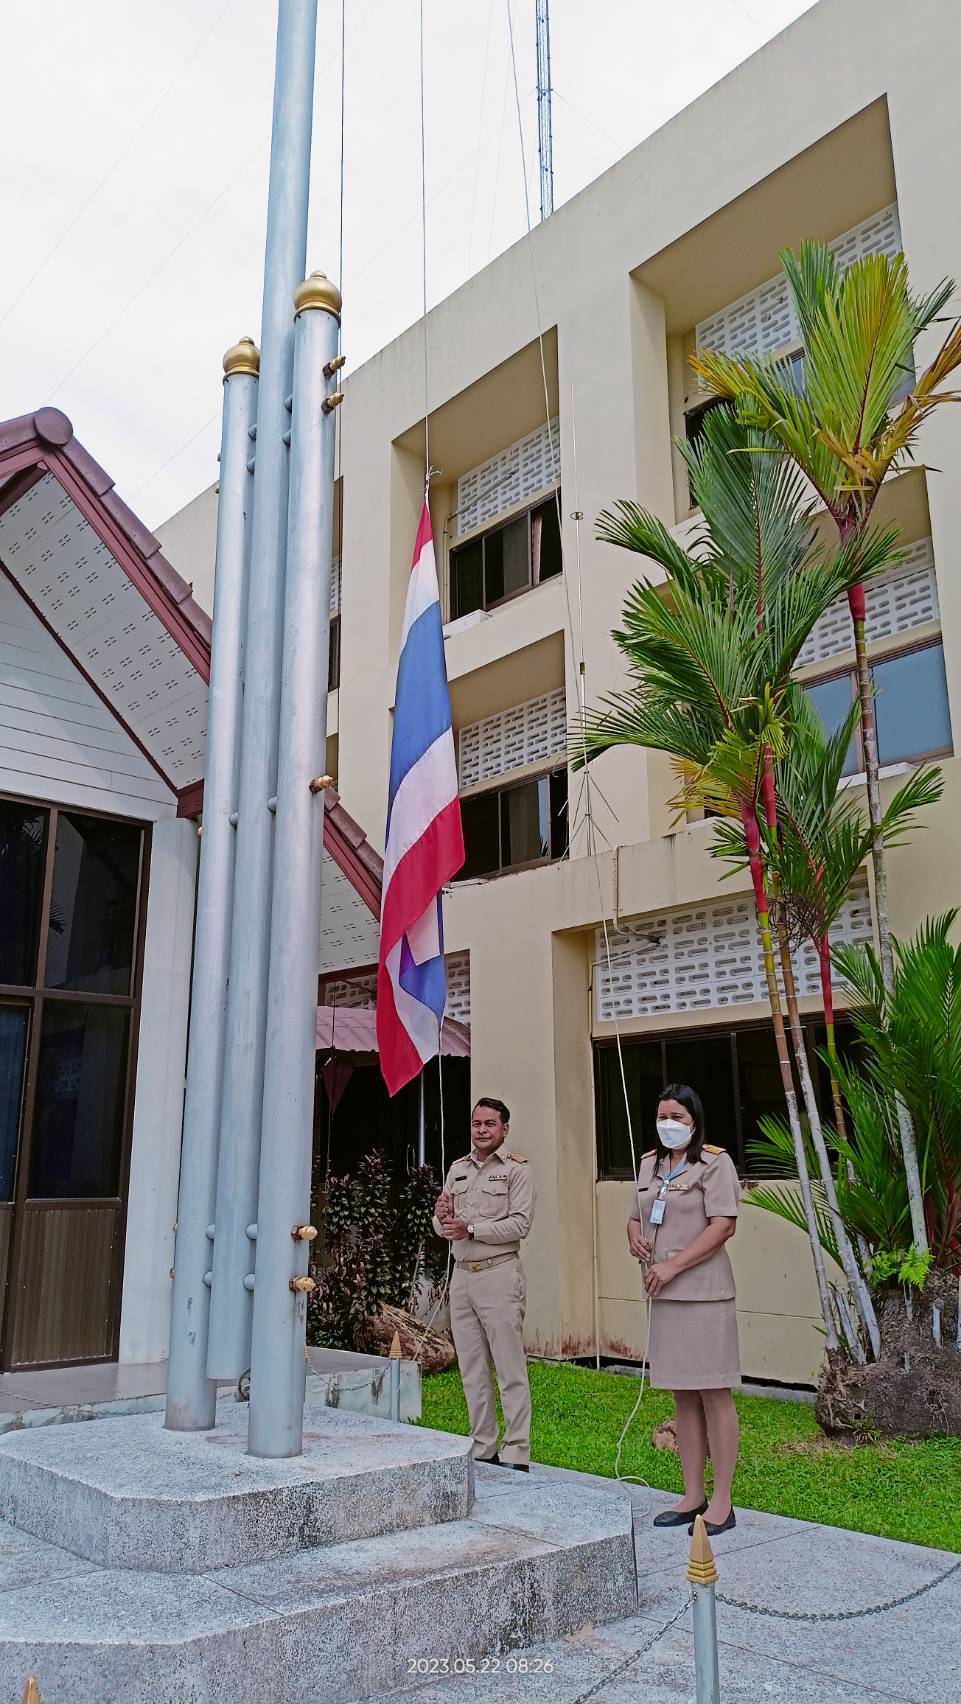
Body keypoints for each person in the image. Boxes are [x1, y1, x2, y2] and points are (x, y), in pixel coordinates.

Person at [627, 1082, 740, 1535]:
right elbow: (635, 1215)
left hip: (703, 1293)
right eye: (662, 1117)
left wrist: (673, 1265)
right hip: (663, 1294)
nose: (668, 1124)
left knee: (714, 1392)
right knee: (682, 1395)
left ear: (694, 1121)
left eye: (677, 1117)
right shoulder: (649, 1164)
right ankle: (693, 1495)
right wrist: (634, 1238)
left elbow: (723, 1226)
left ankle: (722, 1502)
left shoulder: (714, 1163)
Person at [433, 1097, 536, 1470]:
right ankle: (482, 1446)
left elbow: (520, 1224)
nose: (482, 1130)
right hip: (462, 1276)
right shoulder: (458, 1169)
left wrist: (472, 1229)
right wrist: (440, 1217)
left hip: (499, 1274)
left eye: (490, 1124)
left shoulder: (517, 1170)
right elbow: (444, 1225)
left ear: (504, 1129)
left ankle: (517, 1451)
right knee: (472, 1368)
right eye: (477, 1123)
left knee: (509, 1367)